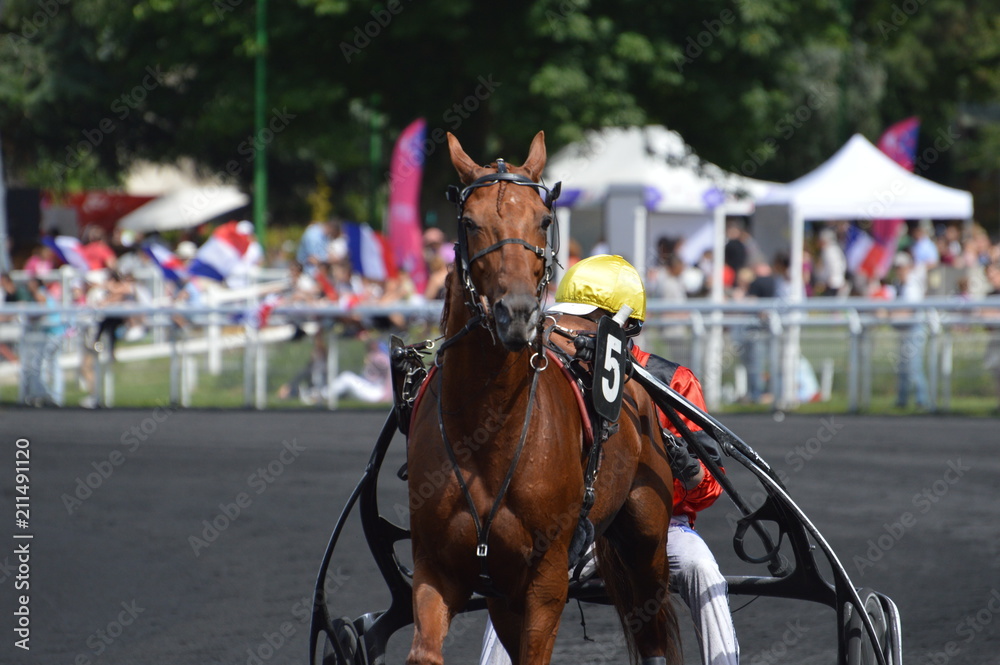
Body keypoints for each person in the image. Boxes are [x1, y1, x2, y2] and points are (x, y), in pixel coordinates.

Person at [479, 255, 739, 665]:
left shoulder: (674, 381)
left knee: (703, 569)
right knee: (516, 575)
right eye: (570, 321)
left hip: (662, 531)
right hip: (576, 528)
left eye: (589, 322)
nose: (572, 333)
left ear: (625, 326)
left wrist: (687, 467)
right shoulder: (556, 378)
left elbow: (708, 490)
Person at [891, 251, 930, 410]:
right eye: (897, 268)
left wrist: (890, 315)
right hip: (905, 330)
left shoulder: (913, 284)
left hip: (915, 329)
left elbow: (909, 309)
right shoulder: (898, 284)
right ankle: (902, 400)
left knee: (913, 367)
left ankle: (922, 400)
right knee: (903, 367)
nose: (900, 270)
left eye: (902, 267)